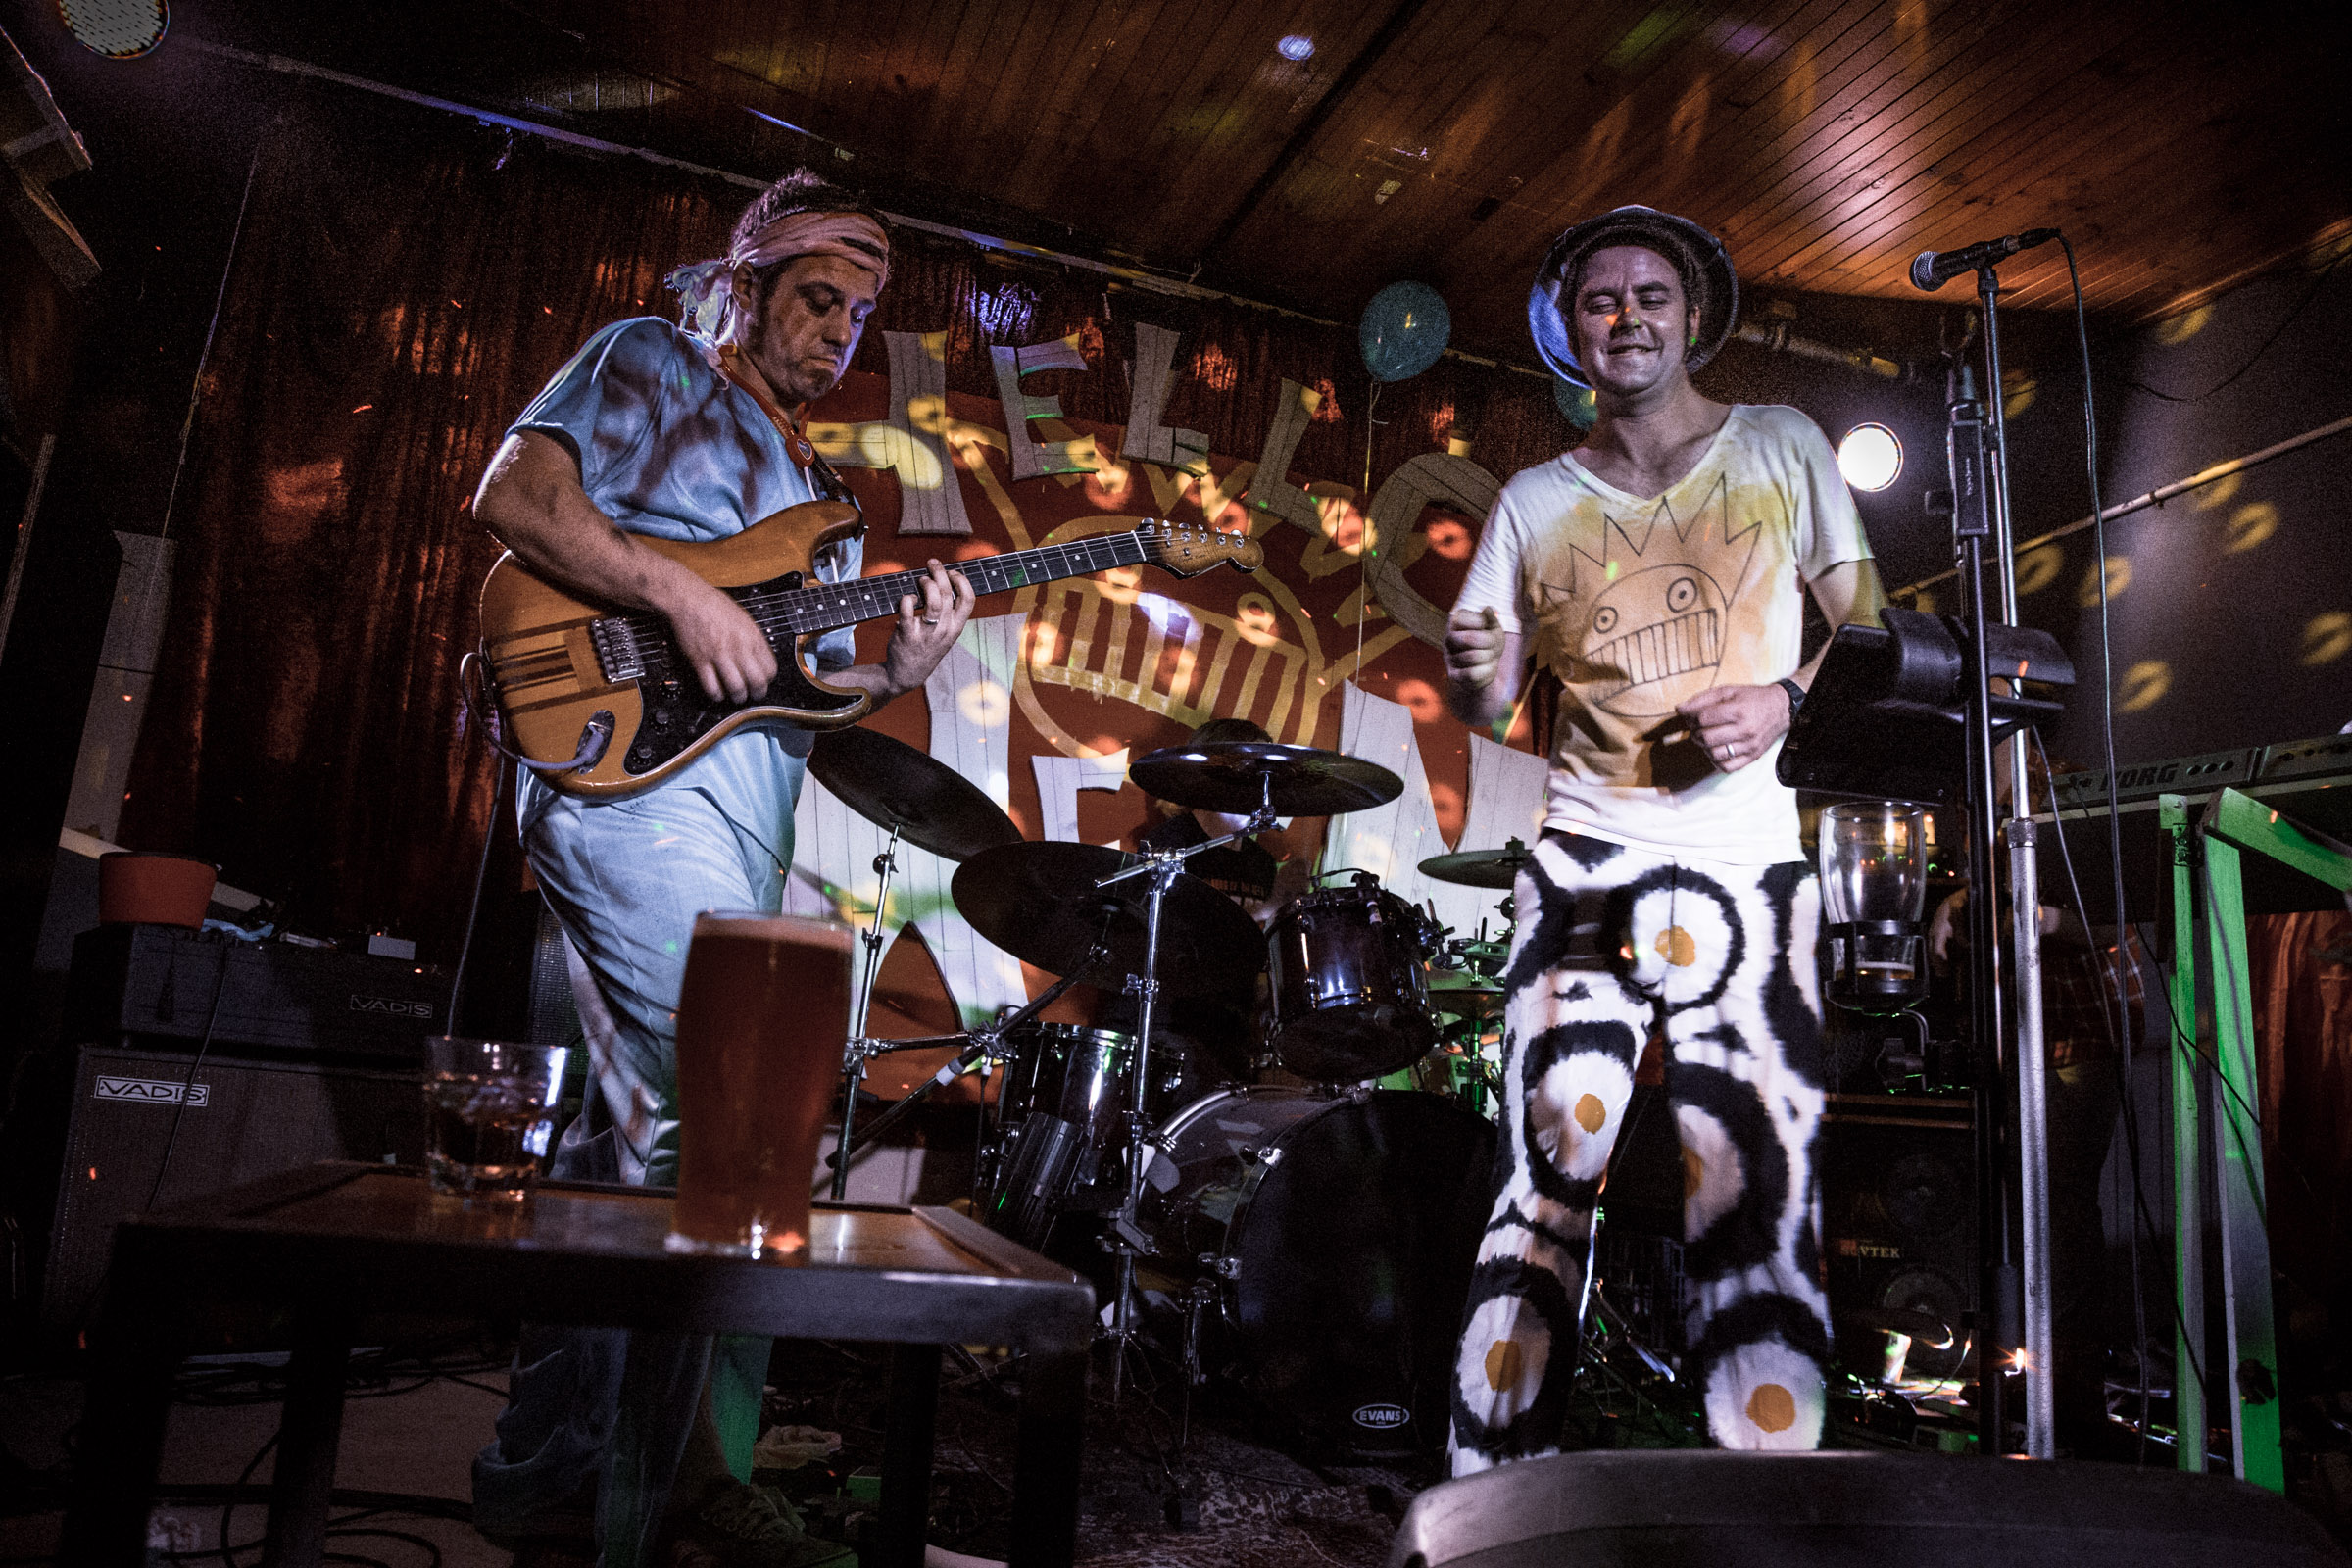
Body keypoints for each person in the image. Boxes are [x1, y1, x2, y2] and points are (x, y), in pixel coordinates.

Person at [467, 170, 974, 1567]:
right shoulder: (652, 361)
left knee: (624, 1145)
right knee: (723, 1119)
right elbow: (516, 495)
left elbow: (807, 700)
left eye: (860, 314)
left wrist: (899, 669)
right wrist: (679, 589)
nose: (840, 333)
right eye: (818, 298)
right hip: (626, 794)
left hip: (738, 826)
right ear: (744, 285)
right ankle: (674, 1504)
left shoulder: (821, 496)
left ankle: (547, 1479)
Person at [1441, 206, 1885, 1470]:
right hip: (1587, 859)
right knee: (1548, 1165)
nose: (1627, 317)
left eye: (1650, 296)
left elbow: (1872, 628)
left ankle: (1766, 1497)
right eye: (1601, 300)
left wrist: (1785, 698)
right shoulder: (1533, 499)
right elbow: (1489, 701)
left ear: (1691, 318)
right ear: (1571, 329)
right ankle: (1492, 1484)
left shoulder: (1782, 444)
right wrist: (1473, 669)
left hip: (1751, 871)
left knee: (1755, 1187)